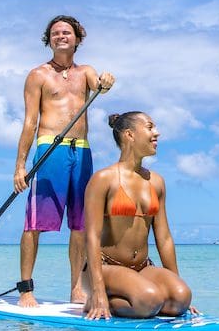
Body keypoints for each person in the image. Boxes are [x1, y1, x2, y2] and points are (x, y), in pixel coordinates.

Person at [13, 15, 114, 308]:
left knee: (81, 225)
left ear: (77, 39)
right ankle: (26, 289)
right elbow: (30, 122)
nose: (61, 36)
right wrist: (20, 165)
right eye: (55, 33)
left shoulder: (85, 72)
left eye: (66, 32)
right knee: (34, 223)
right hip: (49, 150)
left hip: (81, 151)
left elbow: (100, 86)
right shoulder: (38, 75)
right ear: (49, 39)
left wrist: (106, 82)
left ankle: (76, 289)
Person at [81, 111, 193, 319]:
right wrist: (97, 292)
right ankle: (95, 301)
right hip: (105, 268)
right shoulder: (103, 179)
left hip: (142, 268)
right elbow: (91, 237)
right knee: (149, 301)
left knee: (181, 298)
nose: (157, 133)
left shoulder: (156, 182)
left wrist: (174, 283)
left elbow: (164, 238)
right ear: (129, 135)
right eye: (150, 127)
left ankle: (144, 297)